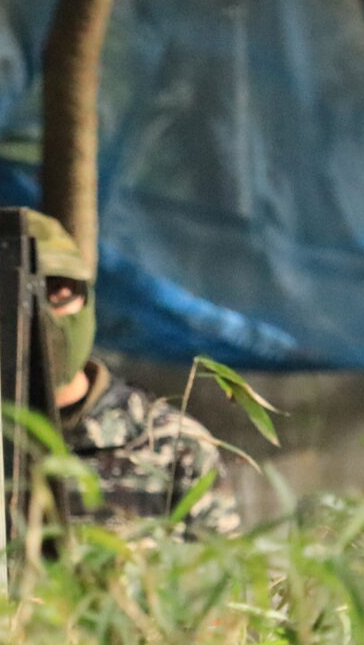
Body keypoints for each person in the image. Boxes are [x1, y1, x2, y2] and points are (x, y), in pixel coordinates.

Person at [22, 210, 240, 539]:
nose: (45, 313)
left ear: (86, 300)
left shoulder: (171, 446)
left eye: (59, 288)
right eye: (26, 293)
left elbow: (220, 566)